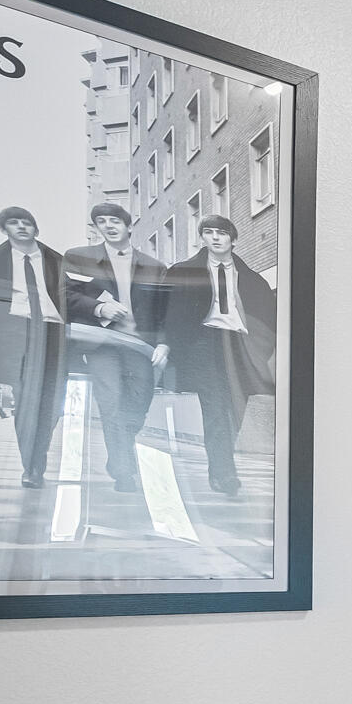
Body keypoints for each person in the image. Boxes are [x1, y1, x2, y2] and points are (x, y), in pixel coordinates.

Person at [158, 217, 274, 496]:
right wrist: (164, 344)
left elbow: (269, 319)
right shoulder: (183, 272)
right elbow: (165, 311)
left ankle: (222, 466)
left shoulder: (253, 280)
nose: (214, 238)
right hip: (203, 341)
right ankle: (224, 473)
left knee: (235, 405)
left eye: (221, 233)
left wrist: (263, 349)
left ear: (233, 240)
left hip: (240, 344)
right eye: (208, 233)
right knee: (215, 405)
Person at [62, 203, 166, 492]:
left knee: (138, 405)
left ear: (129, 226)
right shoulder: (79, 258)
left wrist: (164, 343)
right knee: (111, 402)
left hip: (140, 346)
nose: (108, 225)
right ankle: (123, 469)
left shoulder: (154, 267)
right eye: (101, 221)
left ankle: (121, 447)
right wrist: (99, 308)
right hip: (102, 345)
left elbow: (164, 310)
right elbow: (65, 294)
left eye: (115, 221)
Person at [0, 207, 71, 488]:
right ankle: (33, 465)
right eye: (13, 223)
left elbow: (72, 295)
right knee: (27, 399)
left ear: (36, 229)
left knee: (53, 402)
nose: (21, 227)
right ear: (4, 230)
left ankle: (38, 453)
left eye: (27, 223)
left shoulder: (56, 260)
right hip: (15, 332)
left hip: (53, 332)